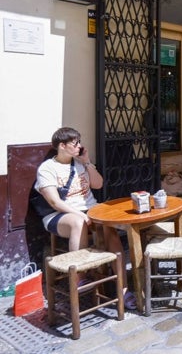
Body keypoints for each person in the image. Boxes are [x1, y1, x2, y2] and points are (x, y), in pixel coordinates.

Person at [34, 127, 135, 309]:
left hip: (90, 209)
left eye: (79, 142)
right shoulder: (47, 168)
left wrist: (87, 162)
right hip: (59, 216)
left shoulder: (79, 163)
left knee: (108, 228)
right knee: (78, 222)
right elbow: (54, 202)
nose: (79, 146)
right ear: (62, 146)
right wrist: (80, 214)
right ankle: (79, 278)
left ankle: (123, 287)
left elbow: (98, 184)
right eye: (75, 143)